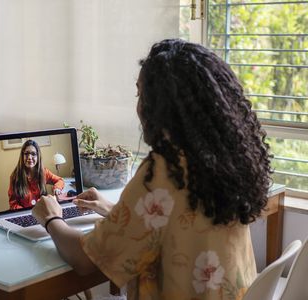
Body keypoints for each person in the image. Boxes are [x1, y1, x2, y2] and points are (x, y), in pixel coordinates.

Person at [32, 39, 272, 300]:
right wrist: (116, 212)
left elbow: (84, 260)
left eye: (140, 94)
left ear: (161, 105)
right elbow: (184, 224)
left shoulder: (164, 170)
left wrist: (51, 218)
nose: (138, 106)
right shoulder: (221, 160)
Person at [8, 139, 65, 210]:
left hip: (43, 212)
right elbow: (13, 204)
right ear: (22, 156)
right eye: (26, 154)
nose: (29, 157)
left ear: (38, 156)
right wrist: (26, 213)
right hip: (25, 215)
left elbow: (60, 180)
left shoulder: (44, 172)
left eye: (33, 154)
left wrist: (57, 188)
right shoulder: (15, 177)